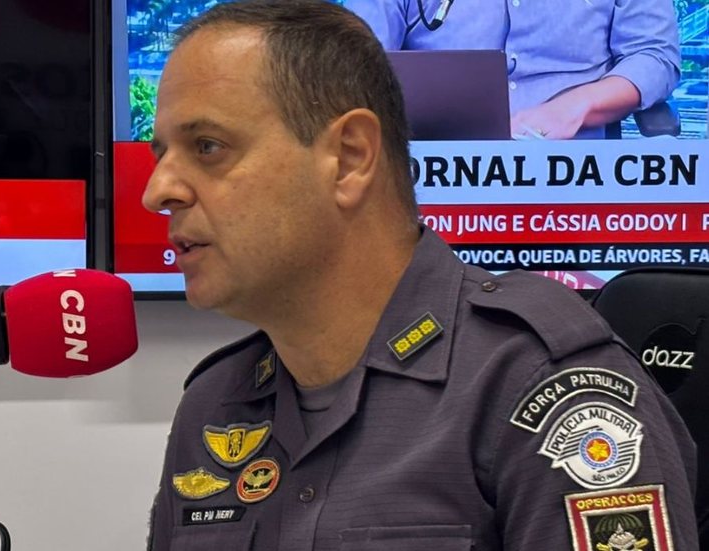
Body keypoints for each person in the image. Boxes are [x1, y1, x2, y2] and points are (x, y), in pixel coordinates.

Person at [142, 1, 699, 548]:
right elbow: (358, 52)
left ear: (351, 157)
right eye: (160, 154)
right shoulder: (216, 404)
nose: (157, 191)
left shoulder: (544, 388)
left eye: (208, 147)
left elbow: (654, 55)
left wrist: (575, 106)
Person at [345, 0, 681, 139]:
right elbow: (356, 62)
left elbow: (655, 56)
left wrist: (574, 108)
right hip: (428, 165)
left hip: (572, 167)